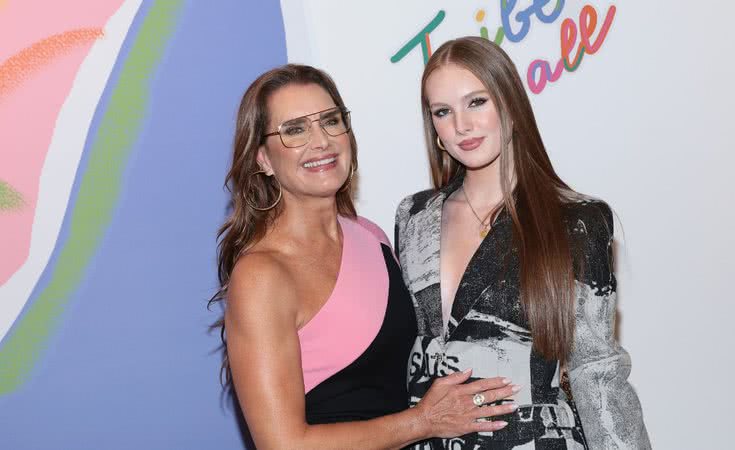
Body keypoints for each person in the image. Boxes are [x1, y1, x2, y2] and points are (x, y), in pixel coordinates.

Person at [209, 64, 520, 449]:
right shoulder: (262, 275)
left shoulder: (371, 236)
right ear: (263, 159)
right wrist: (423, 422)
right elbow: (284, 444)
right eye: (295, 130)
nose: (320, 140)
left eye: (330, 121)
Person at [394, 37, 650, 449]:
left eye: (476, 102)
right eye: (443, 111)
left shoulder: (576, 220)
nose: (461, 125)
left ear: (510, 104)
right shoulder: (414, 217)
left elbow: (595, 369)